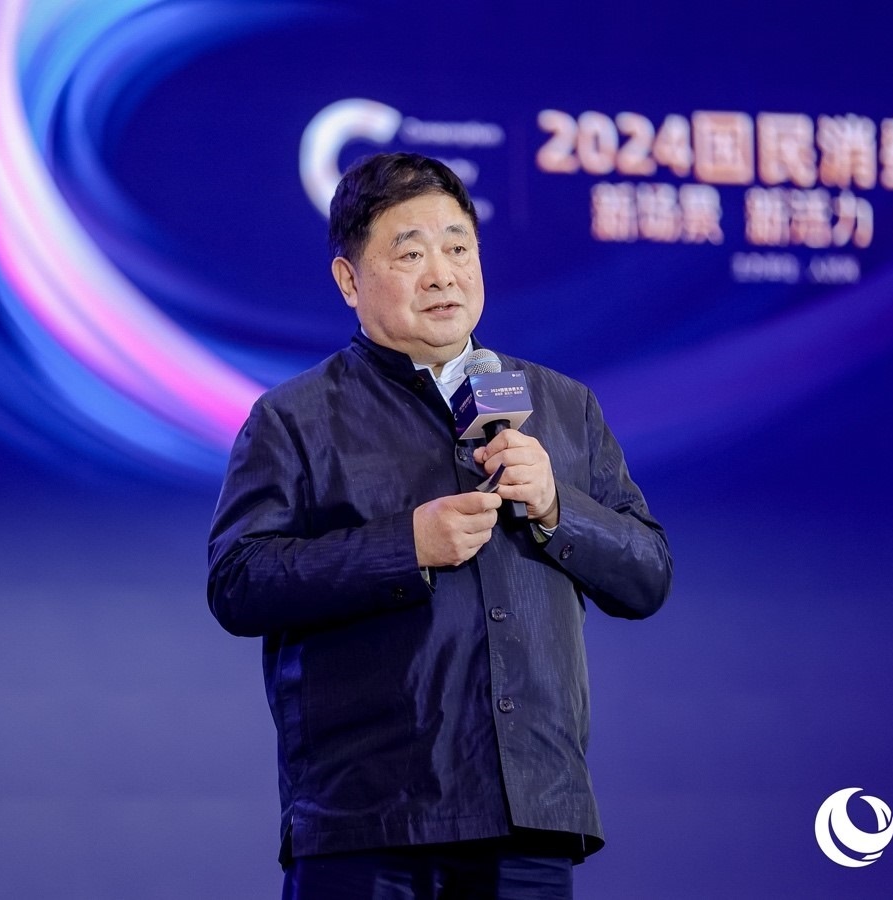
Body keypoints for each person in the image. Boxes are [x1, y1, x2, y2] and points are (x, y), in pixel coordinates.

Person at [208, 152, 672, 899]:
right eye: (410, 253)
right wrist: (405, 547)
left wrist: (557, 507)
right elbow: (239, 581)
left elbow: (648, 575)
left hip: (531, 814)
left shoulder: (561, 405)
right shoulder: (294, 418)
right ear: (349, 281)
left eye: (458, 248)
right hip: (368, 819)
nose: (442, 275)